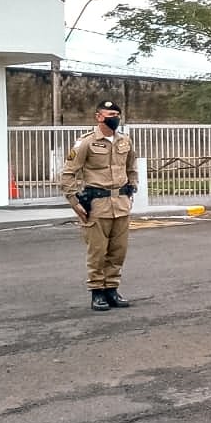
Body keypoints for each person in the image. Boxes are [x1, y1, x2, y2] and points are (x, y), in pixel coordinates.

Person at [59, 100, 139, 312]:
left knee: (118, 251)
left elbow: (131, 167)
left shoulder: (125, 141)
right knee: (97, 251)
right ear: (98, 117)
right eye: (109, 113)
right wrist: (75, 202)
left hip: (121, 205)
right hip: (97, 205)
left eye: (116, 114)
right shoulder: (85, 143)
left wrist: (132, 188)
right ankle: (97, 292)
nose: (114, 117)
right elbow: (67, 175)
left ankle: (112, 289)